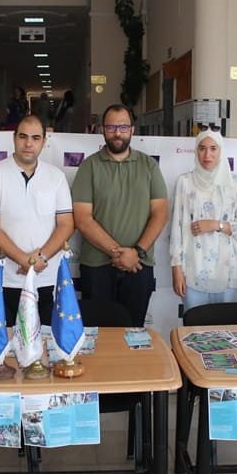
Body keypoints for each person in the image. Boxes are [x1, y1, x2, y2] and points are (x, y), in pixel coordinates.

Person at [72, 104, 168, 327]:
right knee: (98, 335)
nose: (117, 133)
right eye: (111, 127)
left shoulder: (149, 166)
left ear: (132, 129)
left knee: (133, 333)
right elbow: (83, 219)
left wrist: (137, 252)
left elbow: (160, 213)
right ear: (102, 130)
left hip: (139, 265)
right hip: (97, 267)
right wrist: (120, 254)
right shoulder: (89, 167)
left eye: (123, 127)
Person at [0, 115, 74, 325]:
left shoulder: (56, 177)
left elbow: (66, 224)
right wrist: (24, 260)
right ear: (14, 138)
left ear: (44, 142)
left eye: (35, 138)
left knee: (49, 341)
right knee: (5, 342)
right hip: (4, 280)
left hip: (47, 279)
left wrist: (40, 258)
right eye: (23, 137)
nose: (28, 143)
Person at [170, 129, 237, 311]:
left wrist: (216, 225)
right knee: (194, 325)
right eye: (202, 148)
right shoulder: (185, 182)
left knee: (225, 324)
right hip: (193, 271)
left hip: (229, 272)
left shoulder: (236, 183)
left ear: (221, 151)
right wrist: (176, 268)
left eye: (213, 148)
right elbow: (176, 229)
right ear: (196, 151)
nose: (207, 155)